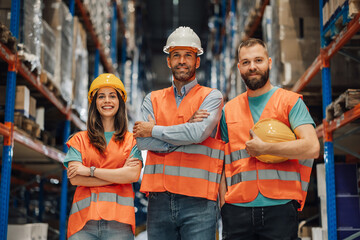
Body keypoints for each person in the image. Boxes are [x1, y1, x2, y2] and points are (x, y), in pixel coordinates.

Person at [218, 38, 320, 240]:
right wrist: (224, 204)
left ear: (269, 62)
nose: (252, 67)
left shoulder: (289, 102)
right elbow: (221, 162)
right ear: (239, 67)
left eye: (258, 60)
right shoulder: (228, 110)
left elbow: (312, 147)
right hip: (236, 210)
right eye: (246, 62)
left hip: (280, 208)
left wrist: (266, 148)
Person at [133, 26, 224, 240]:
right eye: (176, 55)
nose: (182, 61)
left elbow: (198, 134)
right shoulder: (152, 99)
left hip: (199, 201)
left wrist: (154, 130)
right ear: (168, 61)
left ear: (197, 61)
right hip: (159, 201)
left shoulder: (212, 97)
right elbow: (144, 142)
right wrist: (185, 133)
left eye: (188, 55)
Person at [64, 73, 142, 240]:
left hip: (119, 224)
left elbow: (132, 175)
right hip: (83, 223)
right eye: (101, 96)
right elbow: (75, 179)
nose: (107, 100)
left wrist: (89, 171)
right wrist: (119, 176)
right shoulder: (79, 139)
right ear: (94, 103)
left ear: (120, 102)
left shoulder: (131, 141)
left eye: (112, 96)